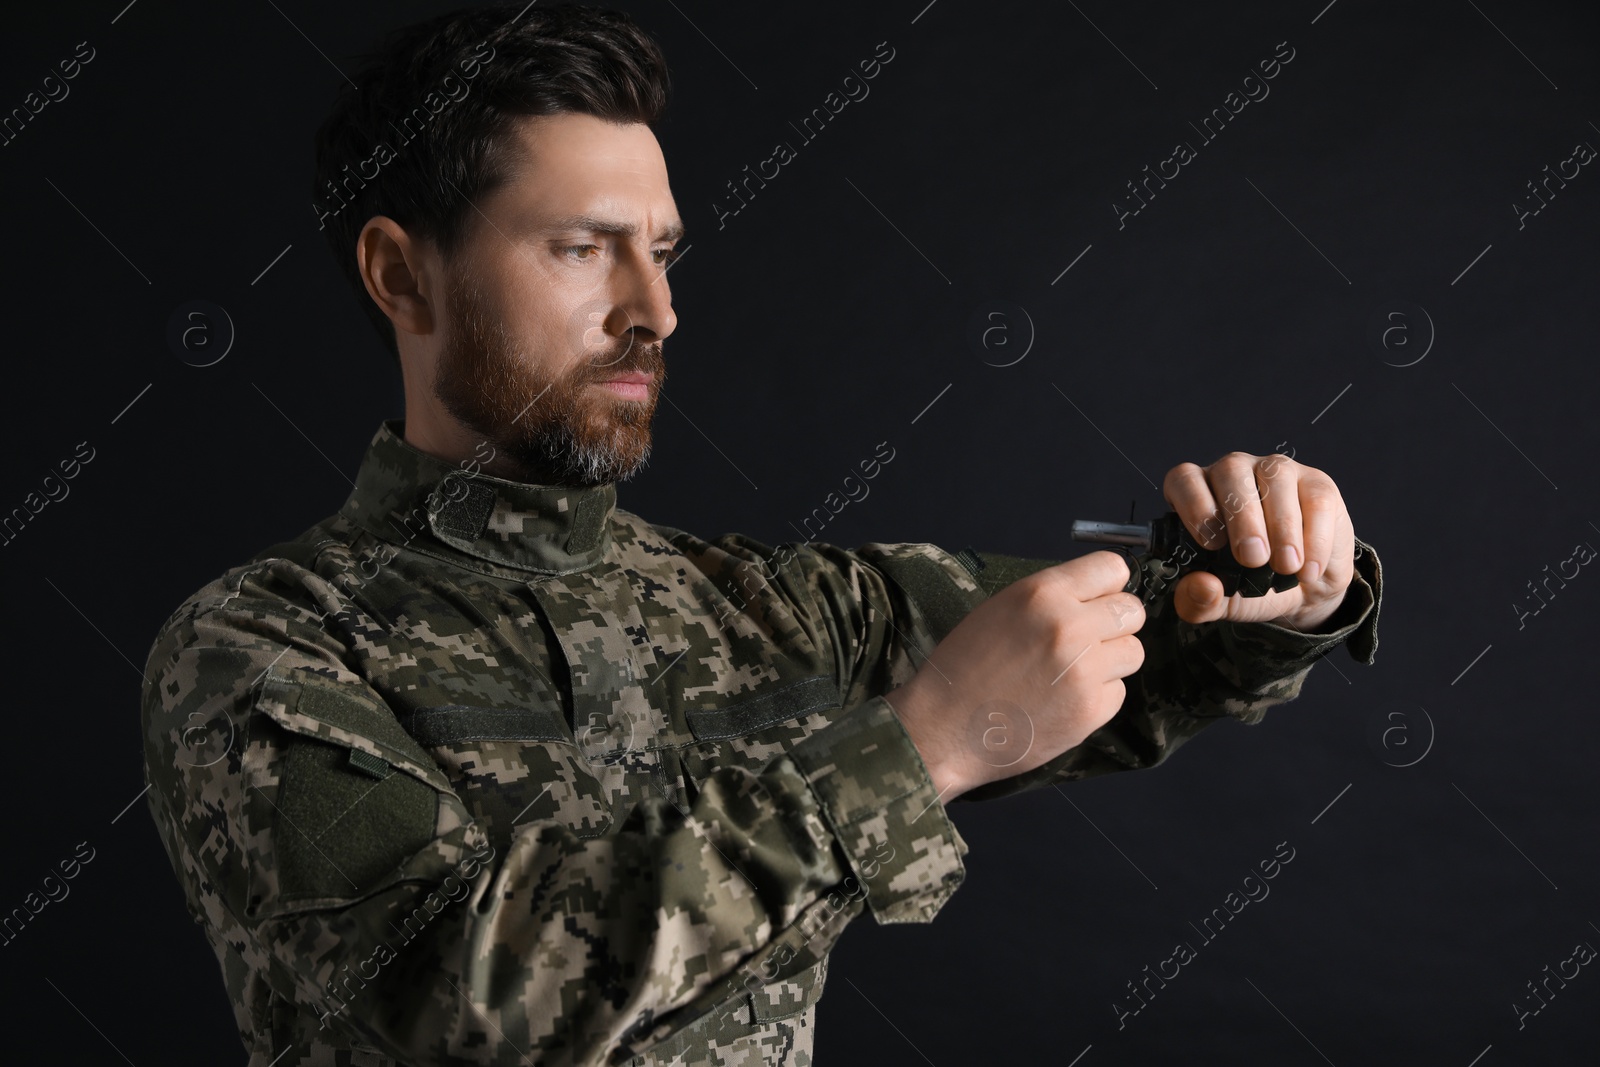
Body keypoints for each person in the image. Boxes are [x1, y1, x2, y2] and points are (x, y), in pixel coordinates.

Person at [139, 4, 1383, 1064]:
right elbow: (451, 999)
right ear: (402, 278)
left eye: (664, 253)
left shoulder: (767, 604)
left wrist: (1282, 566)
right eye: (583, 249)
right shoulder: (260, 649)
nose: (656, 310)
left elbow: (1117, 650)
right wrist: (921, 746)